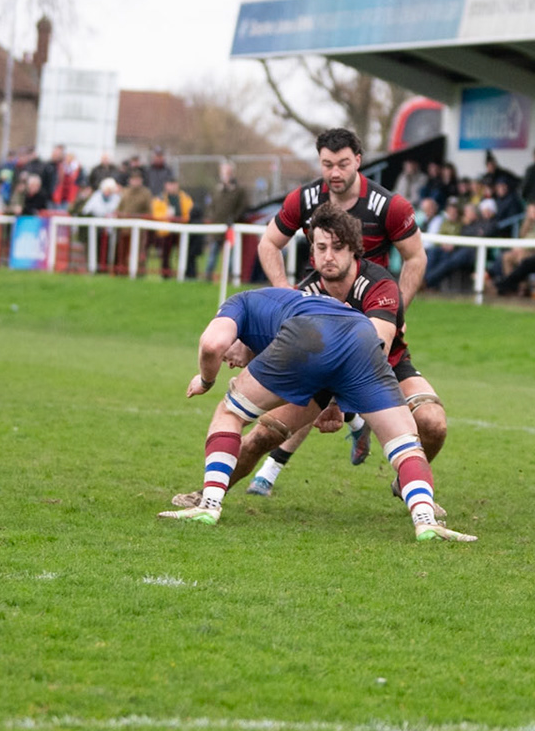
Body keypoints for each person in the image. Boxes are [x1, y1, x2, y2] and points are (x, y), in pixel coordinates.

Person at [175, 204, 449, 506]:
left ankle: (406, 484)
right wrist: (247, 345)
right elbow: (284, 349)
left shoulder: (379, 284)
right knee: (263, 434)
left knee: (432, 421)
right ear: (312, 253)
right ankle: (209, 495)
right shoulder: (306, 291)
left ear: (354, 249)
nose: (329, 256)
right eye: (321, 247)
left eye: (337, 247)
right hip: (323, 377)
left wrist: (339, 405)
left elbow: (377, 348)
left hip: (383, 368)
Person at [158, 284, 474, 542]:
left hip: (307, 336)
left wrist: (206, 379)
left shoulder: (239, 302)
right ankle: (426, 521)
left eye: (232, 355)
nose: (230, 360)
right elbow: (332, 352)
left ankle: (209, 505)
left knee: (230, 412)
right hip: (361, 337)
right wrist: (335, 403)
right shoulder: (290, 306)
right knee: (406, 444)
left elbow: (212, 344)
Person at [259, 127, 424, 304]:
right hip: (317, 302)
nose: (335, 173)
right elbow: (268, 243)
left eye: (343, 164)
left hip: (370, 306)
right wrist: (282, 288)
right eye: (328, 165)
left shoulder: (390, 206)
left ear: (357, 161)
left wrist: (397, 311)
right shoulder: (302, 200)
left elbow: (415, 257)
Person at [151, 176, 193, 277]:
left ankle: (184, 274)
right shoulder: (160, 198)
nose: (172, 187)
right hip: (166, 230)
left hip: (181, 230)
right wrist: (166, 216)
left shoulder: (184, 197)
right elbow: (156, 213)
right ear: (166, 185)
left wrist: (183, 219)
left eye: (174, 184)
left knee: (183, 253)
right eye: (170, 184)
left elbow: (189, 211)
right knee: (165, 254)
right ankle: (165, 274)